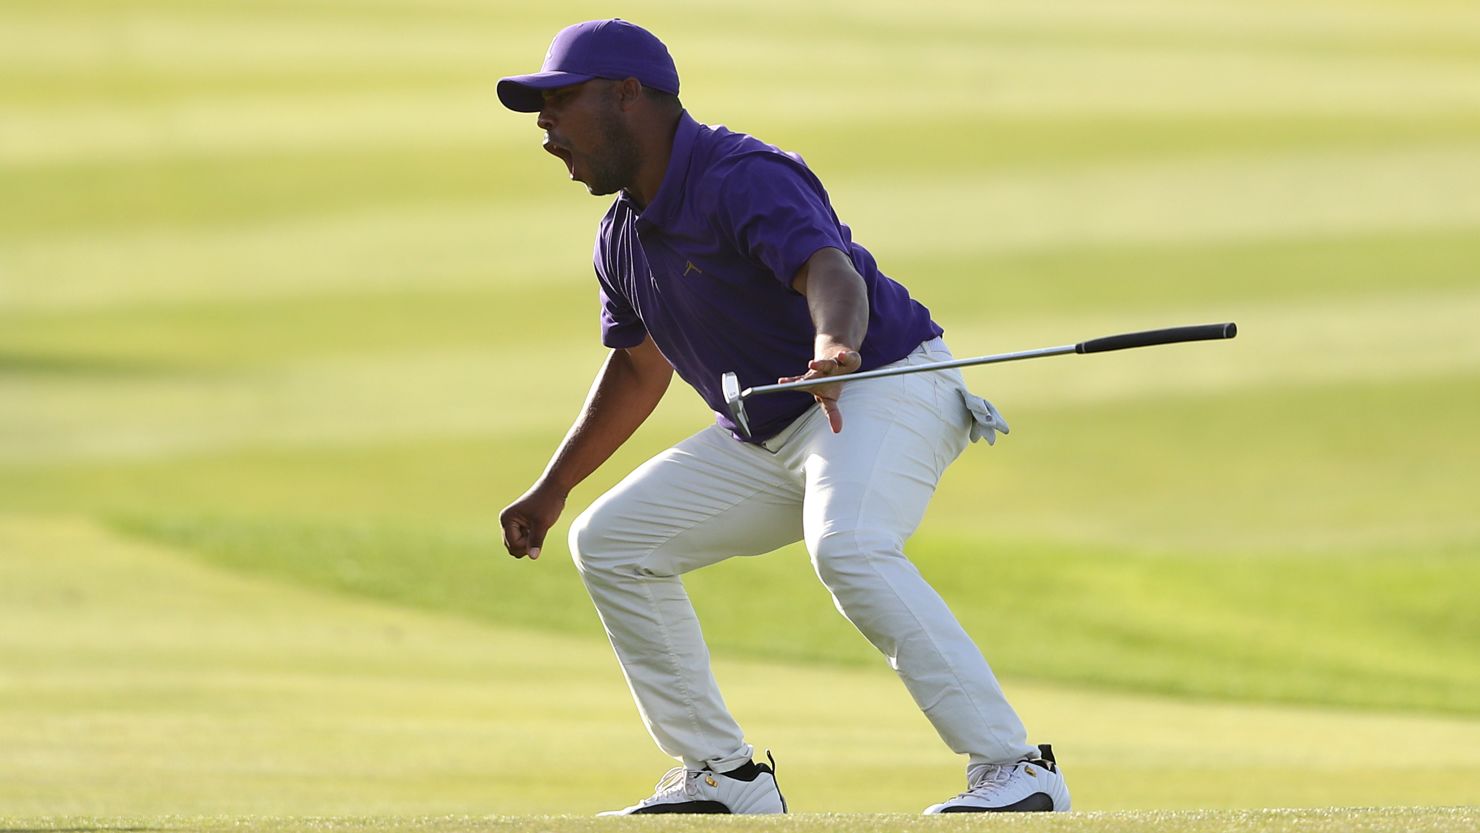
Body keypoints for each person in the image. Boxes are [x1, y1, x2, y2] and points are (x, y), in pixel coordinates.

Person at [496, 18, 1070, 816]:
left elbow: (828, 268)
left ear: (627, 95)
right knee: (613, 541)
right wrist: (553, 488)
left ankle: (1017, 768)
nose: (545, 128)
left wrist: (836, 348)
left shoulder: (741, 174)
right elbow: (636, 368)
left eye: (559, 103)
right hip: (772, 422)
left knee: (850, 547)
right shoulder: (620, 236)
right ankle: (723, 777)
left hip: (883, 384)